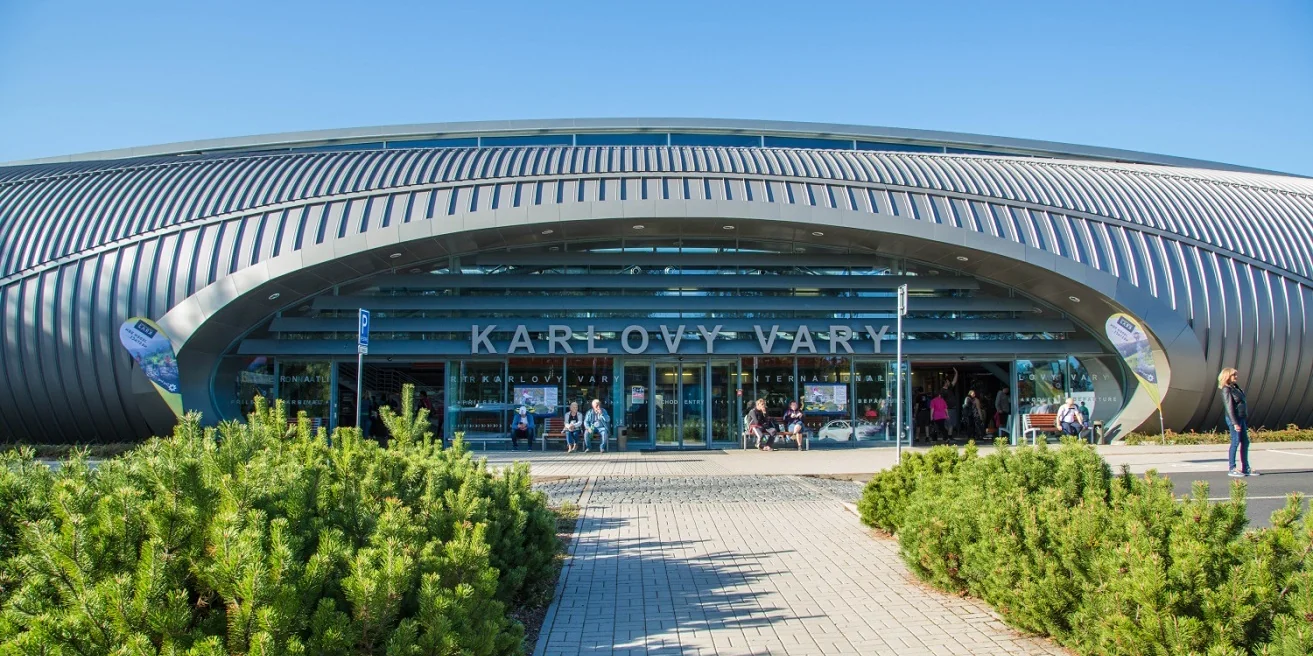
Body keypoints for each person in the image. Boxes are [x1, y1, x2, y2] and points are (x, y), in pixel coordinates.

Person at [1220, 368, 1256, 477]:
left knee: (1245, 442)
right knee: (1235, 442)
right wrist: (1235, 423)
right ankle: (1232, 468)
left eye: (1236, 375)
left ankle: (1246, 467)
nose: (1236, 377)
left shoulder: (1235, 387)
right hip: (1234, 419)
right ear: (1227, 376)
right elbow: (1229, 407)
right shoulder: (1226, 389)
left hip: (1241, 418)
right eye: (1234, 375)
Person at [941, 368, 960, 439]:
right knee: (948, 423)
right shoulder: (942, 391)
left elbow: (954, 381)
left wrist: (956, 373)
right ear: (945, 382)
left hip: (953, 408)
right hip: (947, 409)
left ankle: (950, 435)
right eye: (948, 382)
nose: (949, 383)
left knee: (952, 423)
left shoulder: (949, 388)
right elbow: (941, 401)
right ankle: (948, 435)